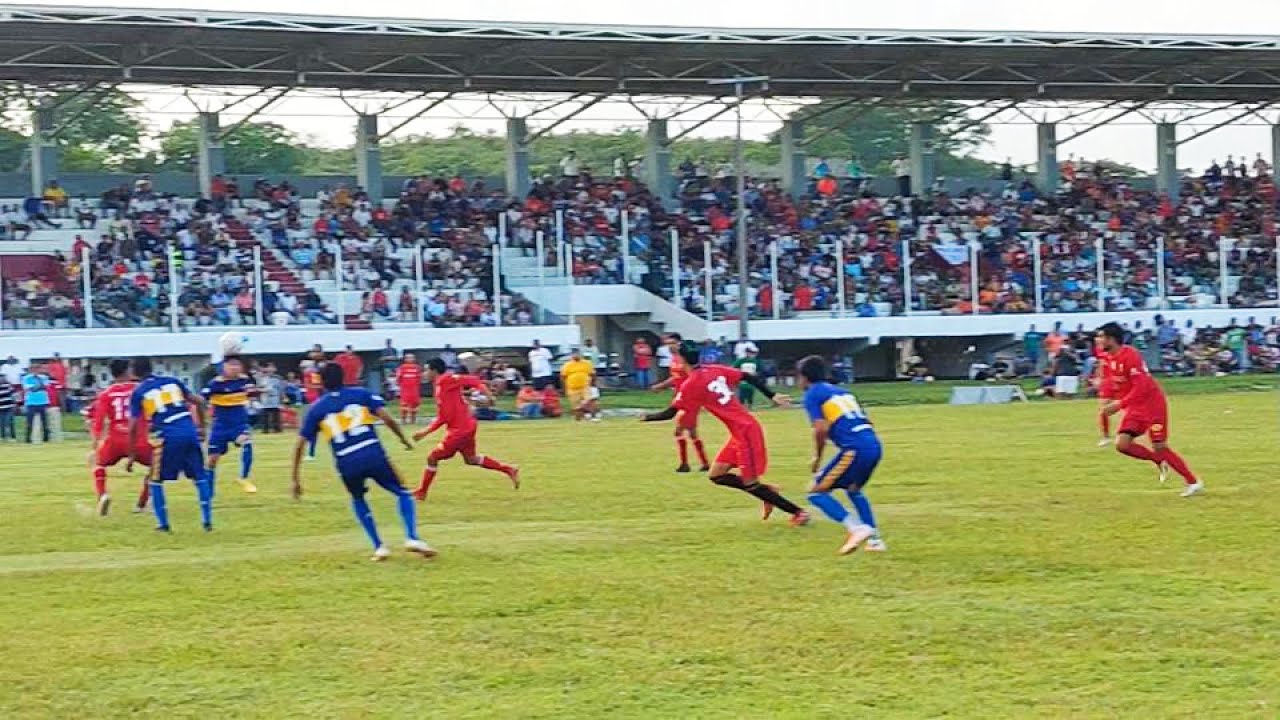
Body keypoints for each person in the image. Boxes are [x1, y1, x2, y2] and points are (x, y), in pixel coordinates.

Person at [642, 341, 810, 526]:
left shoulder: (691, 384)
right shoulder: (713, 369)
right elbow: (746, 376)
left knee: (751, 483)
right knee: (717, 475)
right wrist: (771, 395)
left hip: (746, 431)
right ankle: (767, 491)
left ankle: (798, 512)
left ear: (681, 360)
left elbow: (670, 413)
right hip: (740, 431)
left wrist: (647, 417)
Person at [292, 363, 436, 562]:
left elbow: (299, 445)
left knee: (358, 498)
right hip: (372, 453)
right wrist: (403, 439)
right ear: (344, 377)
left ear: (322, 382)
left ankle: (379, 547)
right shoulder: (361, 394)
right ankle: (411, 537)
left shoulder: (317, 409)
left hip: (346, 461)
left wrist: (296, 480)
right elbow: (387, 418)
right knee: (402, 491)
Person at [1096, 323, 1203, 497]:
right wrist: (1106, 397)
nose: (1098, 340)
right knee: (1122, 445)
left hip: (1152, 406)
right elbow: (1111, 380)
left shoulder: (1130, 355)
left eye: (1101, 337)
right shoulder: (1107, 358)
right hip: (1134, 407)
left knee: (1159, 445)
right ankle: (1159, 461)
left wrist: (1119, 404)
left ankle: (1193, 482)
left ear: (1111, 339)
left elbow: (1142, 387)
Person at [798, 356, 885, 555]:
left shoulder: (813, 394)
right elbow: (867, 421)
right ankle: (875, 540)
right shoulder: (843, 392)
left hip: (855, 448)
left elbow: (820, 430)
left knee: (815, 492)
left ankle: (856, 528)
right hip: (873, 444)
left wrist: (817, 459)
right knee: (853, 490)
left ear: (804, 377)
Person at [411, 357, 520, 502]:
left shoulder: (446, 379)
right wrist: (425, 432)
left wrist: (489, 396)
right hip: (466, 426)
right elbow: (444, 417)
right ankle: (508, 469)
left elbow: (473, 380)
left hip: (460, 430)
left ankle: (422, 492)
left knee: (432, 458)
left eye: (426, 370)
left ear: (434, 370)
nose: (424, 373)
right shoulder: (439, 385)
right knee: (471, 459)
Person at [128, 356, 213, 532]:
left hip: (168, 435)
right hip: (189, 431)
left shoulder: (138, 392)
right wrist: (203, 427)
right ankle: (207, 520)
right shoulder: (172, 381)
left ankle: (163, 524)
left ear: (134, 372)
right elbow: (199, 401)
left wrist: (132, 455)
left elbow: (133, 426)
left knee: (155, 480)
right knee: (200, 476)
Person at [87, 358, 152, 516]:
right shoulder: (141, 389)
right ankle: (142, 504)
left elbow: (99, 421)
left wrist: (95, 444)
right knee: (158, 465)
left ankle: (103, 495)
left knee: (97, 463)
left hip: (115, 440)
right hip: (138, 440)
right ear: (128, 371)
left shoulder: (106, 393)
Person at [650, 332, 709, 472]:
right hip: (680, 398)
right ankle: (704, 463)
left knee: (679, 431)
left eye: (672, 344)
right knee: (691, 432)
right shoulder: (675, 359)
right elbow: (675, 378)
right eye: (668, 344)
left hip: (688, 399)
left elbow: (695, 378)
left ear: (679, 344)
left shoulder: (686, 360)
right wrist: (661, 386)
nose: (670, 346)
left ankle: (685, 464)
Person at [201, 355, 259, 496]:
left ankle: (243, 478)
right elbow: (201, 400)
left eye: (237, 365)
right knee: (212, 460)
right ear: (224, 367)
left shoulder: (244, 381)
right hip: (220, 426)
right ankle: (209, 491)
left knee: (247, 442)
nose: (235, 368)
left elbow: (252, 393)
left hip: (238, 425)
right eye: (231, 365)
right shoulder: (214, 384)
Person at [560, 348, 597, 422]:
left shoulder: (587, 363)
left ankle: (593, 417)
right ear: (571, 355)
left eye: (577, 354)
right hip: (572, 388)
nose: (576, 356)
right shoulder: (567, 365)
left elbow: (593, 374)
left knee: (589, 401)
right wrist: (564, 389)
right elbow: (563, 377)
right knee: (576, 406)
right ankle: (578, 421)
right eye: (574, 354)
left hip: (585, 387)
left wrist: (593, 384)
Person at [1092, 335, 1116, 446]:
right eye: (1097, 337)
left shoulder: (1117, 349)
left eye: (1100, 336)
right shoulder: (1099, 350)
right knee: (1103, 410)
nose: (1097, 339)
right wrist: (1098, 377)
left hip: (1120, 381)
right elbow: (1100, 364)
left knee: (1128, 409)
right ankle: (1105, 436)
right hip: (1107, 383)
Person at [21, 363, 52, 444]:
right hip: (31, 402)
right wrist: (39, 386)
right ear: (31, 370)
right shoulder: (26, 378)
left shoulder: (44, 377)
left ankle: (46, 437)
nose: (36, 371)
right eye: (34, 369)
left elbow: (46, 387)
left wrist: (35, 387)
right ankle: (28, 438)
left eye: (37, 369)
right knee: (29, 422)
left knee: (45, 421)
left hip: (43, 401)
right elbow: (28, 389)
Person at [395, 353, 424, 425]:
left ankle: (413, 420)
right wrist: (401, 385)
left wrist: (416, 385)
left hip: (414, 390)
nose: (410, 359)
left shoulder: (417, 367)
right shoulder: (402, 368)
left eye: (412, 358)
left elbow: (420, 378)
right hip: (405, 390)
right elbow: (398, 378)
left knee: (415, 405)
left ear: (414, 359)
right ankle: (403, 420)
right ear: (405, 359)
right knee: (404, 405)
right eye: (408, 358)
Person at [258, 364, 285, 434]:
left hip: (274, 397)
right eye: (268, 369)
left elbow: (280, 389)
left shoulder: (277, 378)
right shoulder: (262, 378)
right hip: (265, 398)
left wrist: (282, 398)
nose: (270, 371)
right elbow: (259, 387)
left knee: (275, 415)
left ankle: (277, 429)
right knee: (265, 415)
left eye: (271, 369)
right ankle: (265, 429)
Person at [0, 374, 15, 441]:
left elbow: (13, 392)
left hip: (9, 407)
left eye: (3, 378)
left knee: (8, 422)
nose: (2, 379)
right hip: (1, 408)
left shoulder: (8, 385)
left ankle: (12, 437)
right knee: (2, 423)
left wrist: (14, 404)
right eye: (1, 378)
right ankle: (3, 436)